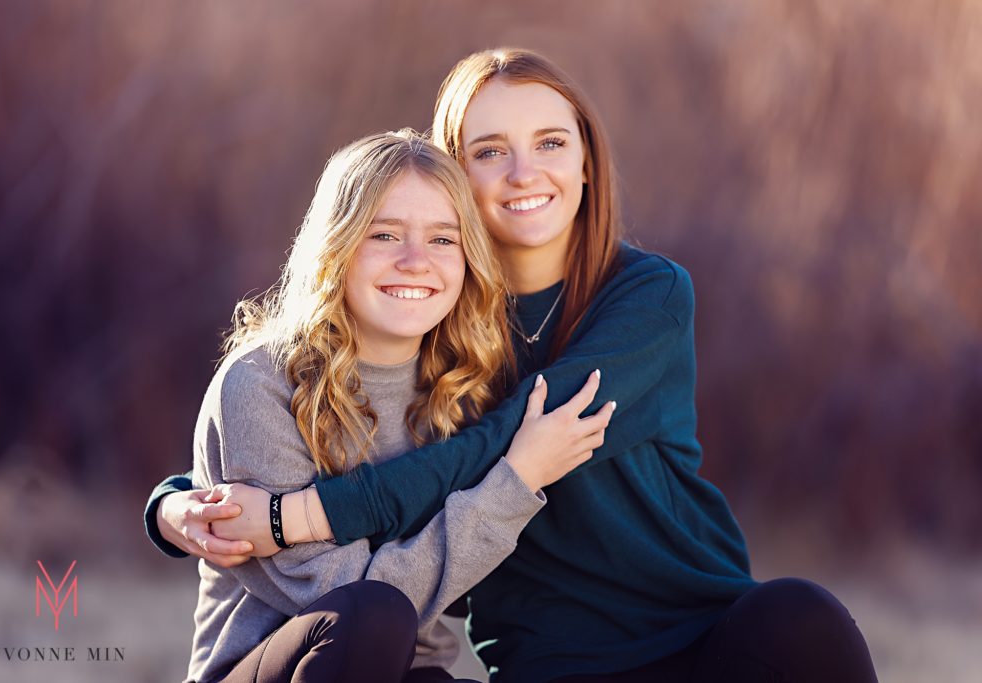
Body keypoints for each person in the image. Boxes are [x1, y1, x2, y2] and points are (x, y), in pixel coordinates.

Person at [148, 49, 878, 682]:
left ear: (587, 161)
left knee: (802, 618)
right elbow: (369, 428)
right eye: (490, 149)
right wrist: (179, 501)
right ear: (454, 174)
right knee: (370, 620)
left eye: (552, 141)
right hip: (548, 658)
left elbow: (496, 440)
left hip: (695, 628)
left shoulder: (641, 299)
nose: (524, 170)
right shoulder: (442, 331)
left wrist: (293, 515)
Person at [180, 129, 613, 683]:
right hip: (273, 667)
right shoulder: (261, 382)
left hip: (412, 672)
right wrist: (516, 481)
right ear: (336, 247)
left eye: (442, 239)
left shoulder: (469, 383)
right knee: (374, 613)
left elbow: (469, 593)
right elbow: (345, 595)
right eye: (384, 235)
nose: (415, 261)